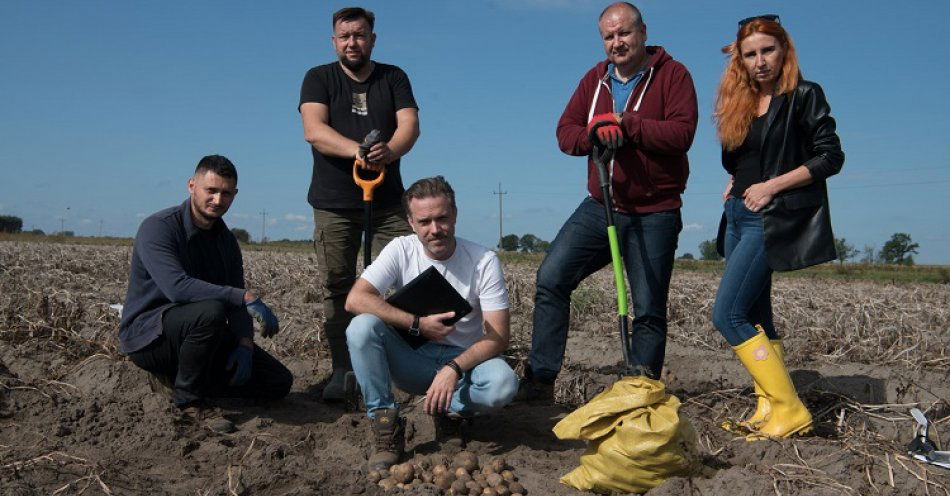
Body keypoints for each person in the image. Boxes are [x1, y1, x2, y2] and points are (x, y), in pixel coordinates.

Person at [519, 2, 698, 401]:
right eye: (609, 36)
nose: (617, 42)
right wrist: (593, 133)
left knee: (648, 308)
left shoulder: (673, 75)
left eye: (624, 33)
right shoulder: (594, 81)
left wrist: (627, 126)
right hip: (600, 206)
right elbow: (565, 133)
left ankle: (641, 393)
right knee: (551, 278)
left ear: (643, 32)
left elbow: (682, 133)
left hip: (655, 211)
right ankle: (540, 379)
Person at [711, 15, 843, 440]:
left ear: (784, 50)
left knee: (727, 314)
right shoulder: (743, 102)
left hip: (771, 218)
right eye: (750, 54)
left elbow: (830, 157)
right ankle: (768, 408)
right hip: (737, 215)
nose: (760, 61)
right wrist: (737, 181)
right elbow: (742, 159)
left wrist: (771, 186)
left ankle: (790, 408)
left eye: (767, 50)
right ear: (741, 61)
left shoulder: (804, 95)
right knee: (754, 314)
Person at [344, 176, 518, 470]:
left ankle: (448, 412)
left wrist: (453, 369)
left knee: (502, 385)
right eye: (424, 222)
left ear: (455, 215)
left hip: (465, 364)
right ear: (411, 222)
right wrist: (417, 324)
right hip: (413, 359)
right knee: (360, 327)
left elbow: (499, 336)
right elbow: (355, 299)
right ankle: (385, 425)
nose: (434, 229)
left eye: (442, 218)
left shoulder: (483, 260)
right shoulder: (401, 249)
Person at [299, 6, 420, 402]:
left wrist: (388, 152)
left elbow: (409, 127)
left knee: (402, 282)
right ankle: (343, 369)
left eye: (360, 35)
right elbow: (314, 131)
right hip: (334, 202)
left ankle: (402, 368)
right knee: (337, 285)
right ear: (334, 41)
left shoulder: (394, 77)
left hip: (387, 202)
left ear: (373, 39)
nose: (353, 42)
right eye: (345, 36)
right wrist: (360, 152)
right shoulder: (318, 78)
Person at [119, 155, 293, 426]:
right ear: (191, 186)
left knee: (278, 382)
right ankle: (189, 401)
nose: (217, 200)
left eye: (225, 193)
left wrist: (245, 344)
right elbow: (177, 288)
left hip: (200, 336)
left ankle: (189, 380)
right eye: (210, 190)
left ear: (234, 195)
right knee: (209, 311)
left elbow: (235, 303)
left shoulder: (227, 242)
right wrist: (245, 296)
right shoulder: (159, 228)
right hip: (150, 336)